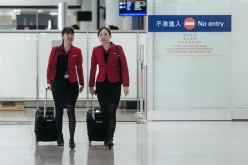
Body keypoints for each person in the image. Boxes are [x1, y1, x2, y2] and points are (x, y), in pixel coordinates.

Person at [88, 26, 129, 148]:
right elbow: (93, 68)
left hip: (114, 84)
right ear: (98, 37)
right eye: (100, 34)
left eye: (105, 34)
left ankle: (110, 138)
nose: (103, 37)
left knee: (112, 111)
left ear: (110, 36)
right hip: (101, 85)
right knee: (105, 112)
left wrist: (126, 85)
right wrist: (91, 85)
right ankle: (106, 137)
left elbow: (124, 67)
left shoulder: (118, 49)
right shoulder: (96, 50)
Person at [47, 27, 84, 149]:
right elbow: (50, 66)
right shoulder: (55, 50)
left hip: (71, 84)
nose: (70, 36)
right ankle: (60, 136)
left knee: (70, 110)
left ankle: (72, 139)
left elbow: (79, 68)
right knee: (59, 111)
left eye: (72, 34)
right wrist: (49, 82)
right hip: (58, 84)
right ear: (62, 36)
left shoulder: (77, 51)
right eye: (67, 34)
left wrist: (82, 83)